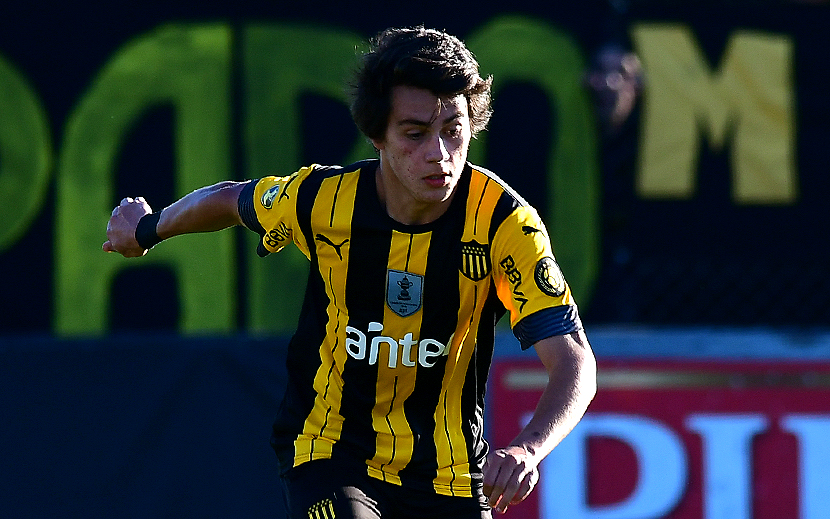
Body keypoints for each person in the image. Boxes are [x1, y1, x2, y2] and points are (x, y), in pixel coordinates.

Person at [104, 26, 596, 519]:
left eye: (453, 129)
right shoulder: (323, 200)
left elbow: (574, 362)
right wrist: (147, 229)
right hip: (332, 453)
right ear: (377, 135)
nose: (439, 153)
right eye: (415, 134)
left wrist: (528, 449)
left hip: (450, 476)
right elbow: (231, 200)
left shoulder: (505, 224)